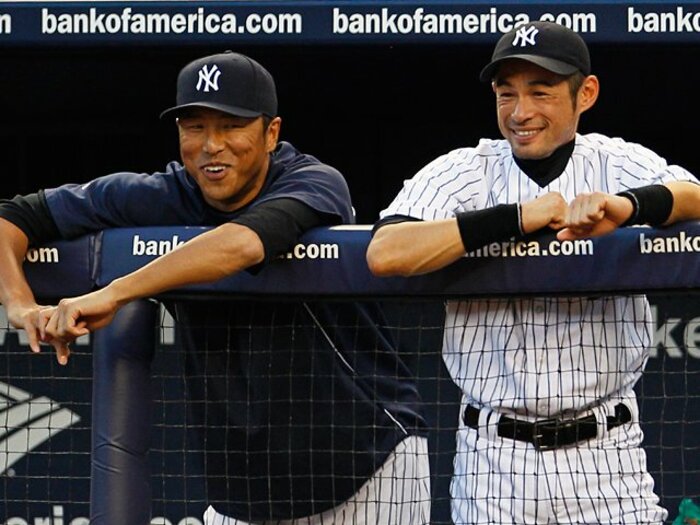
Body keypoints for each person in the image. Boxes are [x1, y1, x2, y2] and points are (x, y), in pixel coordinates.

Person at [0, 51, 430, 524]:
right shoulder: (164, 194)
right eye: (195, 126)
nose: (211, 145)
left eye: (231, 126)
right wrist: (19, 303)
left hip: (366, 461)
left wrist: (116, 291)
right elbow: (14, 217)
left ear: (271, 133)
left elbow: (239, 245)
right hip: (244, 485)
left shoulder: (314, 182)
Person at [366, 21, 700, 525]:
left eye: (540, 92)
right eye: (507, 94)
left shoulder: (618, 162)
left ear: (585, 93)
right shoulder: (463, 172)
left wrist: (628, 206)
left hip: (606, 455)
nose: (521, 113)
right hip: (493, 458)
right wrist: (517, 219)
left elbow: (694, 195)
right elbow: (385, 252)